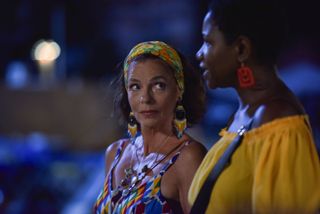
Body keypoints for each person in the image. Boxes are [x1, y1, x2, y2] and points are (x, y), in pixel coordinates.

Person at [188, 0, 320, 213]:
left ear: (241, 49)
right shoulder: (244, 114)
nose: (200, 54)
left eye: (209, 42)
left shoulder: (276, 119)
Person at [94, 41, 207, 213]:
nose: (145, 98)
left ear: (179, 90)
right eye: (135, 87)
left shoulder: (188, 157)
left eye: (158, 85)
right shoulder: (115, 152)